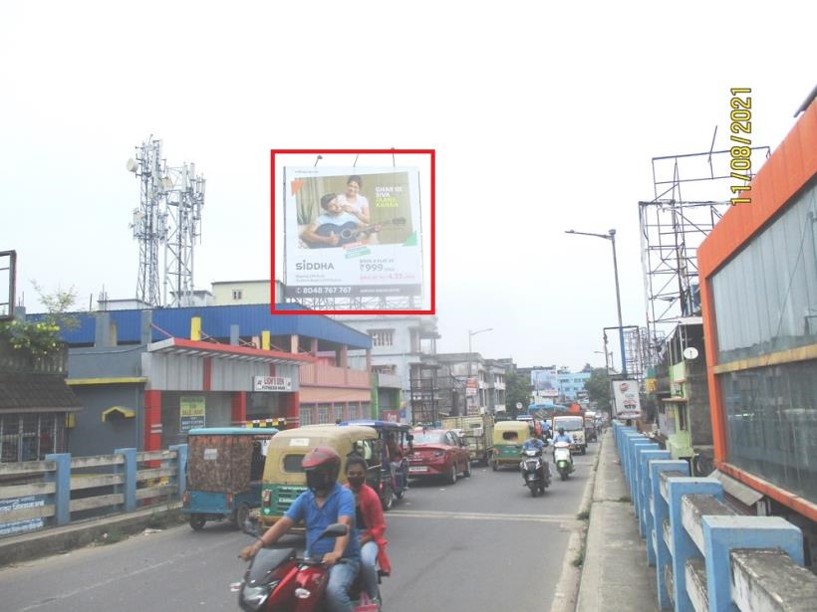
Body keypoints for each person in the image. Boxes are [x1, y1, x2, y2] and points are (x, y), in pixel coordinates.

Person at [239, 447, 361, 612]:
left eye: (317, 473)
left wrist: (337, 552)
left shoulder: (343, 496)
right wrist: (257, 546)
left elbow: (344, 524)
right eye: (309, 473)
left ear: (331, 472)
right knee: (284, 589)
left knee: (335, 592)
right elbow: (283, 524)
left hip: (342, 561)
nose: (312, 477)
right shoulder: (305, 498)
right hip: (311, 559)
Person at [344, 456, 391, 604]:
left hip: (367, 537)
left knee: (366, 561)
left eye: (359, 474)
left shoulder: (371, 495)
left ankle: (373, 596)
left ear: (365, 474)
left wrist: (362, 541)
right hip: (345, 537)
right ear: (346, 474)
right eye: (352, 473)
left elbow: (379, 526)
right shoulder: (341, 494)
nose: (355, 477)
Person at [301, 193, 367, 248]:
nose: (337, 206)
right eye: (332, 206)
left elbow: (366, 227)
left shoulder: (350, 216)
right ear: (326, 209)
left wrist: (356, 212)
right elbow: (305, 234)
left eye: (337, 202)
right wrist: (326, 240)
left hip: (348, 250)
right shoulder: (321, 219)